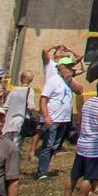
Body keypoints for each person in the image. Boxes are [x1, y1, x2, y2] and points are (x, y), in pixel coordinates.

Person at [35, 49, 76, 180]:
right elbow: (43, 99)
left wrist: (71, 81)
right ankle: (42, 173)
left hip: (64, 120)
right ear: (61, 68)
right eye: (68, 67)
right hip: (53, 119)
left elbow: (80, 91)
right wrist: (46, 117)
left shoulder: (69, 81)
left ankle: (44, 168)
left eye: (71, 66)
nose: (71, 69)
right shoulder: (53, 80)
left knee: (55, 146)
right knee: (48, 145)